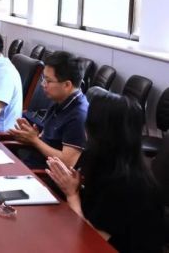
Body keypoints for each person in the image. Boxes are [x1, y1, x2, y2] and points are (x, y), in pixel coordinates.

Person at [46, 93, 165, 253]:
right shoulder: (96, 157)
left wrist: (72, 194)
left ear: (98, 130)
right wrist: (68, 183)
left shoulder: (128, 185)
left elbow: (93, 240)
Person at [8, 51, 88, 168]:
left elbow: (67, 162)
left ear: (67, 85)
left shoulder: (79, 116)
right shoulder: (59, 100)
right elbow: (47, 140)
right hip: (31, 164)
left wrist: (35, 140)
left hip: (43, 174)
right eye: (43, 78)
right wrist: (33, 135)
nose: (43, 84)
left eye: (48, 81)